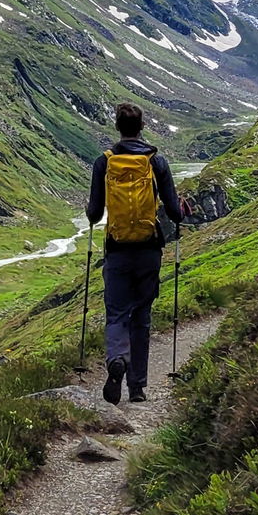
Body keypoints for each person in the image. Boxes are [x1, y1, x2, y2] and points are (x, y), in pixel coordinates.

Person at [84, 102, 182, 404]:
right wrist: (178, 211)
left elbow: (94, 213)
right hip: (148, 250)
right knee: (142, 316)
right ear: (142, 127)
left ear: (118, 127)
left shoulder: (105, 162)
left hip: (117, 251)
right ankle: (137, 387)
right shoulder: (156, 161)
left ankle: (117, 359)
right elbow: (175, 211)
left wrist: (91, 210)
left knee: (116, 314)